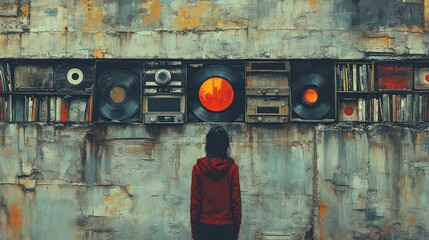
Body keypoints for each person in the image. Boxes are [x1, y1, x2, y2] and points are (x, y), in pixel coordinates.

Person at [190, 126, 242, 240]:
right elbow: (236, 201)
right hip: (227, 227)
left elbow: (195, 203)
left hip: (203, 227)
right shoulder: (232, 168)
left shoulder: (198, 168)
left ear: (208, 145)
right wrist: (236, 228)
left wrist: (194, 230)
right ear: (226, 145)